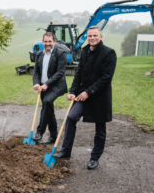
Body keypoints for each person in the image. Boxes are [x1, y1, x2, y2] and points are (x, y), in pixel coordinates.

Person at [53, 26, 117, 169]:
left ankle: (95, 158)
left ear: (101, 36)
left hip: (100, 97)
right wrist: (72, 91)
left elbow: (106, 78)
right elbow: (79, 73)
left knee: (100, 129)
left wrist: (88, 92)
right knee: (71, 117)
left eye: (95, 35)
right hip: (83, 95)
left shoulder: (109, 53)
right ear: (87, 37)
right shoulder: (84, 52)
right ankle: (65, 151)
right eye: (90, 36)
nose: (92, 38)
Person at [32, 32, 68, 144]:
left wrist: (47, 84)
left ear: (54, 42)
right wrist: (36, 83)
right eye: (45, 41)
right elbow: (36, 71)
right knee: (49, 109)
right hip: (42, 87)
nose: (47, 44)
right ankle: (53, 136)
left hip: (55, 85)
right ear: (43, 42)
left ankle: (39, 132)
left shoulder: (61, 53)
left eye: (50, 41)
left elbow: (60, 72)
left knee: (47, 102)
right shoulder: (39, 54)